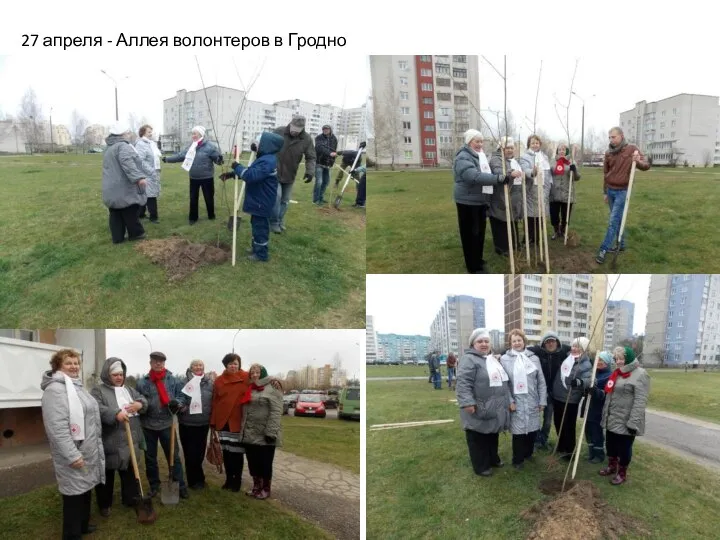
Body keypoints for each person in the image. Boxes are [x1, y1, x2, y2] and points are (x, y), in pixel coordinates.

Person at [41, 349, 104, 540]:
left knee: (85, 489)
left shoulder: (75, 386)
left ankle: (83, 525)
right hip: (73, 452)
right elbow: (57, 428)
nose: (74, 366)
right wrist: (72, 455)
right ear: (58, 366)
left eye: (76, 363)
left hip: (87, 449)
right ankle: (71, 534)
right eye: (69, 363)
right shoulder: (55, 390)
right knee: (73, 495)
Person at [91, 358, 147, 517]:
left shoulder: (129, 389)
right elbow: (96, 408)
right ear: (107, 374)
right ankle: (104, 504)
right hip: (111, 439)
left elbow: (142, 399)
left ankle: (130, 498)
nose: (119, 377)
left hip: (131, 439)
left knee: (129, 470)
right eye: (115, 374)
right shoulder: (98, 391)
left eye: (121, 374)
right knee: (107, 474)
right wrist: (115, 413)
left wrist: (139, 405)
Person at [453, 129, 513, 273]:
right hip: (467, 202)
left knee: (479, 233)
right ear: (469, 142)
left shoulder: (480, 156)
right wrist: (498, 178)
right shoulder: (463, 157)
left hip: (479, 200)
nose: (480, 144)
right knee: (470, 235)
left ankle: (478, 259)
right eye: (477, 141)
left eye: (481, 141)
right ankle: (473, 267)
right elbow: (473, 176)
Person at [456, 328, 512, 477]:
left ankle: (493, 458)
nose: (484, 344)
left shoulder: (490, 359)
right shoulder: (469, 359)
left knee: (492, 435)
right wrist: (467, 402)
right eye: (480, 341)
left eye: (486, 341)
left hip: (493, 407)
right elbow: (463, 382)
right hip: (478, 406)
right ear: (473, 344)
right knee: (478, 437)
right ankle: (481, 466)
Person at [224, 131, 285, 262]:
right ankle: (256, 247)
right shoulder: (264, 158)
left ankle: (261, 254)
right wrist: (232, 174)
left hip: (262, 201)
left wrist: (237, 166)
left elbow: (251, 176)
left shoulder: (268, 161)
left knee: (260, 228)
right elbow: (251, 172)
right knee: (256, 225)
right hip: (259, 200)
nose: (255, 145)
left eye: (258, 143)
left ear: (266, 145)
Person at [135, 351, 188, 499]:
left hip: (167, 424)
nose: (158, 363)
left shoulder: (173, 380)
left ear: (164, 363)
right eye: (155, 361)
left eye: (161, 361)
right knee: (150, 458)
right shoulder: (142, 382)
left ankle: (180, 485)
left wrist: (176, 403)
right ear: (150, 362)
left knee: (174, 456)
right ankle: (154, 486)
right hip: (148, 426)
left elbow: (182, 396)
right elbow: (138, 399)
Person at [596, 127, 650, 263]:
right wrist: (604, 192)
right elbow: (605, 173)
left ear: (621, 136)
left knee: (613, 221)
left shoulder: (632, 149)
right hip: (610, 190)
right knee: (618, 219)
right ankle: (622, 245)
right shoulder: (608, 153)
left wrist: (637, 161)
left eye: (613, 137)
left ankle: (603, 249)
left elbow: (646, 165)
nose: (611, 140)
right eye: (609, 137)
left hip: (622, 191)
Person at [599, 347, 650, 485]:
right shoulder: (617, 373)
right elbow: (609, 395)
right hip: (612, 417)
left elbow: (641, 401)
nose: (618, 362)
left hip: (626, 420)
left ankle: (622, 473)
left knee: (624, 448)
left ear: (628, 358)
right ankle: (612, 466)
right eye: (616, 359)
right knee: (611, 445)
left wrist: (633, 422)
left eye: (621, 359)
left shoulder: (640, 374)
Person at [500, 330, 547, 470]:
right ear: (510, 343)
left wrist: (542, 401)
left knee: (532, 430)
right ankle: (518, 460)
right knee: (518, 432)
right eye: (514, 341)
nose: (517, 343)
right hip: (516, 402)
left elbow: (541, 381)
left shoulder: (534, 358)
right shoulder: (505, 359)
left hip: (532, 400)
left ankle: (528, 453)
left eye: (519, 340)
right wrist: (510, 401)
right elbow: (504, 383)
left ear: (524, 341)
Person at [163, 125, 224, 225]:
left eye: (194, 133)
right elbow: (181, 156)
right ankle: (193, 218)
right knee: (193, 198)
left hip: (207, 177)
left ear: (200, 134)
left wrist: (219, 159)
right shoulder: (191, 146)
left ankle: (211, 215)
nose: (193, 136)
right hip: (194, 177)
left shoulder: (210, 146)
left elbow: (218, 160)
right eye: (192, 134)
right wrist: (168, 159)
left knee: (209, 197)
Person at [240, 363, 283, 499]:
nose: (254, 375)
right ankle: (256, 486)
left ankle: (265, 488)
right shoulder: (250, 388)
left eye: (257, 372)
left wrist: (271, 432)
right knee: (253, 462)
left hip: (265, 434)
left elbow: (276, 411)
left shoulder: (273, 388)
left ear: (263, 373)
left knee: (265, 463)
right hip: (250, 433)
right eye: (252, 373)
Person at [209, 353, 252, 492]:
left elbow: (261, 380)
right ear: (225, 365)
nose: (233, 366)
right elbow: (215, 401)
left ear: (239, 364)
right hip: (223, 421)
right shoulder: (219, 381)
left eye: (235, 363)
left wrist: (275, 381)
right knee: (226, 452)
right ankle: (228, 479)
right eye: (230, 364)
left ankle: (237, 481)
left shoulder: (247, 377)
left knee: (237, 453)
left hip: (237, 421)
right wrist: (213, 421)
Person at [101, 123, 148, 244]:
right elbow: (127, 163)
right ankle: (136, 234)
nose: (128, 134)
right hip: (122, 186)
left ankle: (117, 238)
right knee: (130, 209)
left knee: (115, 212)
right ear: (121, 134)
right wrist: (139, 178)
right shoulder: (122, 146)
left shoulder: (109, 148)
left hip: (110, 187)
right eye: (127, 132)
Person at [271, 116, 316, 233]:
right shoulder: (279, 131)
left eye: (298, 129)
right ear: (290, 123)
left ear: (303, 128)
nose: (295, 130)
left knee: (285, 200)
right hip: (274, 171)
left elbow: (311, 157)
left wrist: (310, 171)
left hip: (290, 174)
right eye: (294, 127)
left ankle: (280, 220)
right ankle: (274, 222)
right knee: (277, 197)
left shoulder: (306, 139)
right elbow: (266, 144)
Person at [528, 331, 571, 450]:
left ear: (557, 342)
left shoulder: (564, 352)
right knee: (535, 418)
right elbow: (520, 348)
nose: (550, 343)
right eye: (547, 342)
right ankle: (536, 439)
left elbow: (580, 351)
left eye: (553, 341)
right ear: (544, 344)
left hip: (553, 393)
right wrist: (500, 354)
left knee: (547, 420)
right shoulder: (538, 352)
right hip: (538, 391)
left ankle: (543, 439)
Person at [551, 337, 593, 460]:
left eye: (578, 347)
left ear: (584, 350)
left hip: (570, 399)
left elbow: (591, 380)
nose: (574, 349)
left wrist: (580, 381)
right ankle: (562, 445)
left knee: (569, 426)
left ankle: (570, 452)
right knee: (558, 423)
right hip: (558, 396)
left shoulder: (585, 363)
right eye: (573, 346)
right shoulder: (568, 358)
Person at [178, 359, 214, 490]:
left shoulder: (210, 383)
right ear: (191, 367)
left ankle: (198, 479)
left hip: (203, 423)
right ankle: (194, 481)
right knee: (189, 453)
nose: (198, 367)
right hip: (187, 423)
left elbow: (214, 399)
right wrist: (180, 406)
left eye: (200, 365)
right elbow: (179, 398)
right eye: (195, 365)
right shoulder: (183, 382)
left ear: (203, 367)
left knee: (199, 453)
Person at [489, 137, 524, 257]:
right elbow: (498, 172)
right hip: (500, 196)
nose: (510, 150)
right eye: (507, 148)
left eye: (511, 148)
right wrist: (510, 173)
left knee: (512, 221)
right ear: (501, 148)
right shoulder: (495, 160)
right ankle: (501, 247)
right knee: (500, 221)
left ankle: (514, 244)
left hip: (513, 196)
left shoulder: (513, 160)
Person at [518, 134, 552, 246]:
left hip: (544, 190)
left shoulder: (544, 157)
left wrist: (549, 185)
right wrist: (532, 172)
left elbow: (548, 173)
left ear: (540, 144)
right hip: (531, 190)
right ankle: (528, 239)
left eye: (537, 143)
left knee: (541, 216)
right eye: (532, 143)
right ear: (529, 144)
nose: (535, 145)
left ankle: (537, 238)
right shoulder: (525, 157)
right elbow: (525, 169)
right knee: (530, 216)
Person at [585, 351, 612, 464]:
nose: (599, 362)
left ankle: (599, 454)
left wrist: (596, 391)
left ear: (607, 363)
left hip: (599, 409)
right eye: (598, 360)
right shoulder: (593, 373)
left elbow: (606, 394)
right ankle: (591, 451)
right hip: (588, 407)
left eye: (602, 360)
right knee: (588, 430)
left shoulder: (609, 376)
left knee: (596, 431)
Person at [549, 144, 581, 240]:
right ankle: (556, 231)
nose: (561, 151)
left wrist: (574, 170)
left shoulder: (571, 162)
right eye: (560, 150)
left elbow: (577, 177)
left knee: (565, 216)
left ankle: (563, 231)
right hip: (554, 193)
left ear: (566, 151)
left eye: (564, 149)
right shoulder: (553, 161)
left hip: (567, 194)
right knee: (554, 215)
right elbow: (548, 174)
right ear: (557, 151)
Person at [135, 125, 162, 223]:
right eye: (149, 132)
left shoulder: (151, 143)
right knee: (151, 195)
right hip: (147, 173)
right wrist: (151, 171)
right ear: (143, 133)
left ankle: (140, 214)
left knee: (145, 194)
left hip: (153, 173)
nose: (151, 133)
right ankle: (153, 217)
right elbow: (140, 160)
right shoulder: (141, 144)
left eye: (151, 131)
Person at [313, 124, 338, 205]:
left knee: (326, 182)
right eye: (324, 129)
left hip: (328, 164)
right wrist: (330, 153)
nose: (325, 130)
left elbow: (334, 150)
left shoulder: (334, 139)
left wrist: (332, 161)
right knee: (319, 182)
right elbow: (319, 148)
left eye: (327, 129)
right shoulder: (319, 138)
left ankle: (321, 197)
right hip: (319, 163)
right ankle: (316, 200)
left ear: (330, 129)